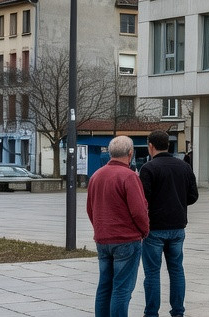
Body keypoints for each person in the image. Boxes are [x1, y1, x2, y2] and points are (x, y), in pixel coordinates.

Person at [138, 129, 199, 317]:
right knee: (176, 270)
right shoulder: (184, 167)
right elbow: (193, 196)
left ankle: (151, 313)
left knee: (152, 273)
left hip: (155, 228)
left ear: (151, 146)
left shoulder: (148, 169)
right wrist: (178, 202)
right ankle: (178, 311)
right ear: (168, 145)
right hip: (178, 226)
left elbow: (143, 199)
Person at [88, 135, 149, 317]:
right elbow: (139, 211)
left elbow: (90, 208)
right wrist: (144, 231)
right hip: (126, 239)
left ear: (110, 153)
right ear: (130, 153)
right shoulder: (129, 176)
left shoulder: (96, 176)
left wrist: (100, 228)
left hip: (103, 239)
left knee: (104, 287)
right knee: (122, 289)